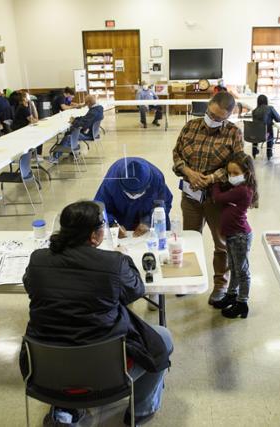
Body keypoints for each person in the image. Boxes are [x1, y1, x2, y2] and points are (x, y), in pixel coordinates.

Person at [21, 201, 172, 426]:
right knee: (163, 338)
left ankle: (64, 408)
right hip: (106, 373)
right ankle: (141, 409)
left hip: (44, 370)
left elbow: (29, 285)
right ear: (94, 236)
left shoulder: (38, 260)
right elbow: (137, 290)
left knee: (63, 340)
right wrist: (124, 256)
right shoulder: (113, 264)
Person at [173, 91, 244, 304]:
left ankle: (221, 284)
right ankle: (188, 279)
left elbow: (238, 167)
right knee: (189, 240)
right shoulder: (190, 126)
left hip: (218, 200)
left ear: (229, 116)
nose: (213, 120)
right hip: (191, 197)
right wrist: (189, 172)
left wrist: (213, 177)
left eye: (219, 118)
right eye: (211, 114)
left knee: (221, 244)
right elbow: (177, 154)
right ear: (208, 106)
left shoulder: (234, 133)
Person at [211, 152, 259, 319]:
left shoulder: (243, 190)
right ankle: (231, 295)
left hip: (240, 236)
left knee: (242, 271)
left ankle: (242, 303)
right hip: (233, 235)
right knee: (234, 267)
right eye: (229, 173)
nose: (232, 176)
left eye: (236, 173)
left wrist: (216, 181)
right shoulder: (238, 187)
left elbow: (217, 197)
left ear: (247, 173)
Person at [95, 157, 173, 238]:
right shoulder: (112, 181)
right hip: (122, 225)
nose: (133, 197)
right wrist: (113, 224)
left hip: (152, 227)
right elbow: (98, 208)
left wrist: (148, 221)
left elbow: (165, 203)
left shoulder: (157, 178)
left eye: (138, 193)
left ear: (148, 185)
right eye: (129, 193)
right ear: (121, 186)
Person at [47, 95, 104, 163]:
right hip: (94, 132)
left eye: (86, 103)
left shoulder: (93, 112)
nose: (86, 105)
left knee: (68, 137)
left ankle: (55, 157)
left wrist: (74, 121)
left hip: (89, 134)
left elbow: (84, 124)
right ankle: (72, 152)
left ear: (89, 103)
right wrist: (76, 119)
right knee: (68, 132)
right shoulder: (98, 108)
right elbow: (85, 118)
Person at [252, 94, 280, 160]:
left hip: (255, 135)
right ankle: (269, 154)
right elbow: (278, 119)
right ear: (266, 101)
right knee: (269, 130)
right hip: (266, 135)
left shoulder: (254, 111)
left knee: (257, 129)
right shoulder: (270, 108)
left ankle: (254, 152)